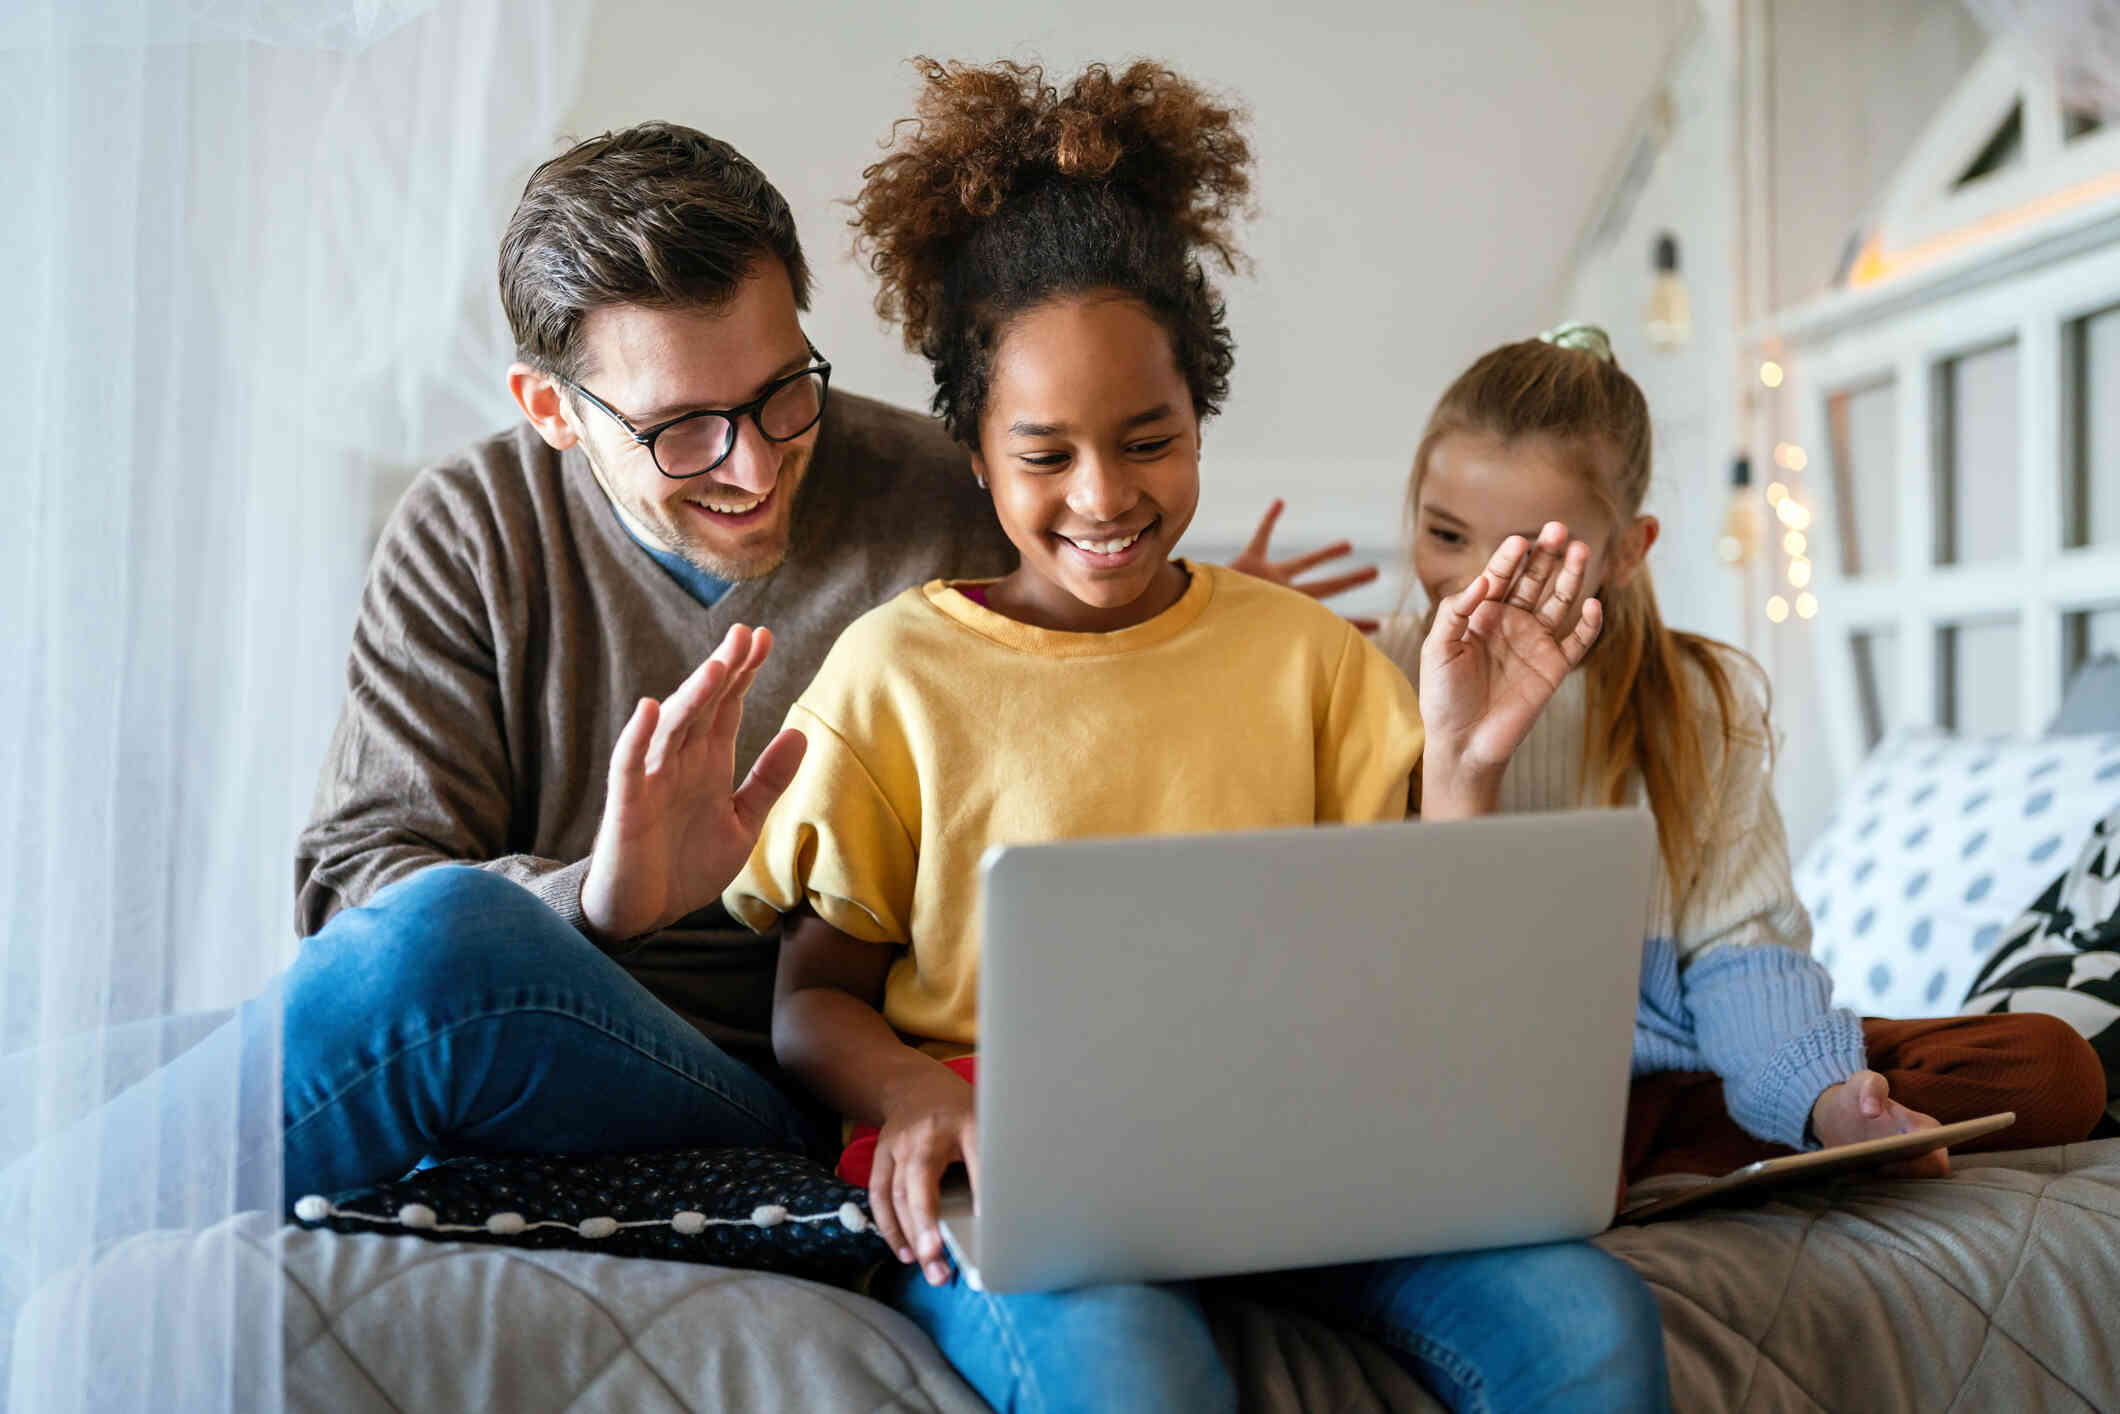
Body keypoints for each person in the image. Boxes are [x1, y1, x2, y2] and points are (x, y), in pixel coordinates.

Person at [726, 59, 1669, 1414]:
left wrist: (1466, 760)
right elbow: (810, 1001)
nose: (1104, 494)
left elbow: (1424, 961)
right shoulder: (894, 676)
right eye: (1045, 455)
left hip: (1314, 1157)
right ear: (975, 456)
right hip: (1028, 1168)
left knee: (1592, 1324)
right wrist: (921, 1097)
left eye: (1149, 439)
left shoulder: (1307, 660)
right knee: (1131, 1373)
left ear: (1199, 416)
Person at [1377, 322, 2108, 1185]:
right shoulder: (1370, 674)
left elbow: (1741, 948)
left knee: (2049, 1067)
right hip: (1493, 1081)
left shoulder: (1694, 699)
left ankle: (1792, 1128)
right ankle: (1676, 1156)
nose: (1478, 588)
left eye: (1532, 556)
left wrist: (1828, 1095)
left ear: (1625, 552)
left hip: (1688, 1071)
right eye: (1447, 536)